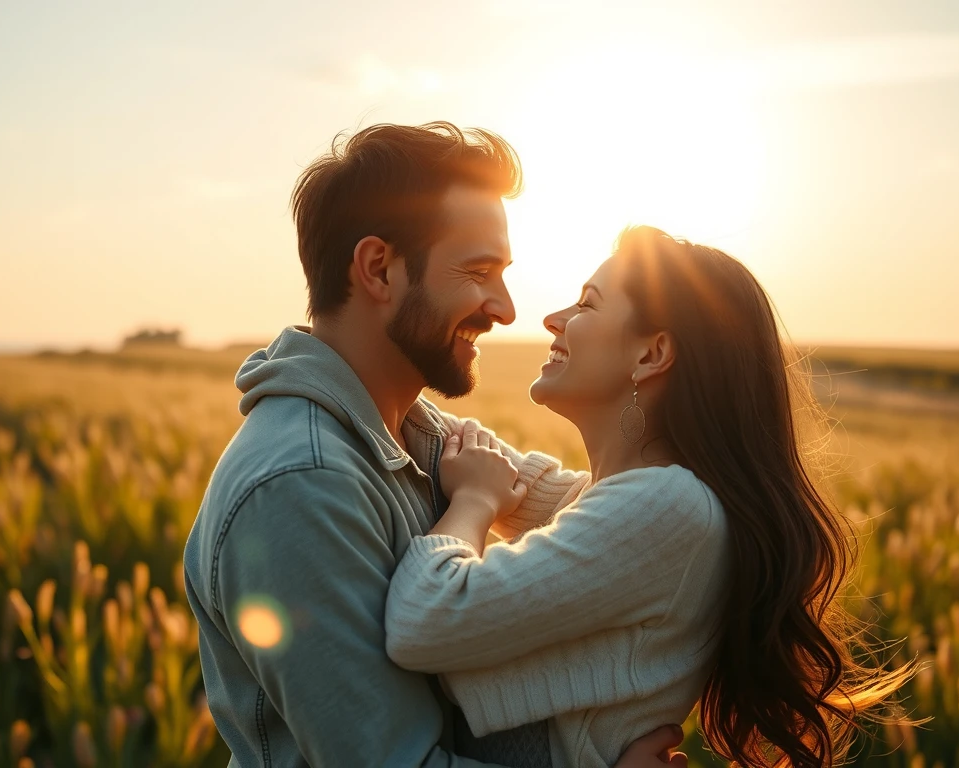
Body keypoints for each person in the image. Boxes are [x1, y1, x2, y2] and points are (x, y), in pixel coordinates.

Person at [183, 123, 686, 767]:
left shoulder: (419, 436)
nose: (505, 309)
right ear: (378, 270)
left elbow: (605, 519)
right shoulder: (301, 484)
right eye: (478, 272)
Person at [385, 226, 914, 768]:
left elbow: (423, 622)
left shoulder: (666, 506)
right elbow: (490, 463)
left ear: (651, 354)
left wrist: (473, 501)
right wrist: (343, 364)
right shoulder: (623, 499)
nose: (553, 318)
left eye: (587, 304)